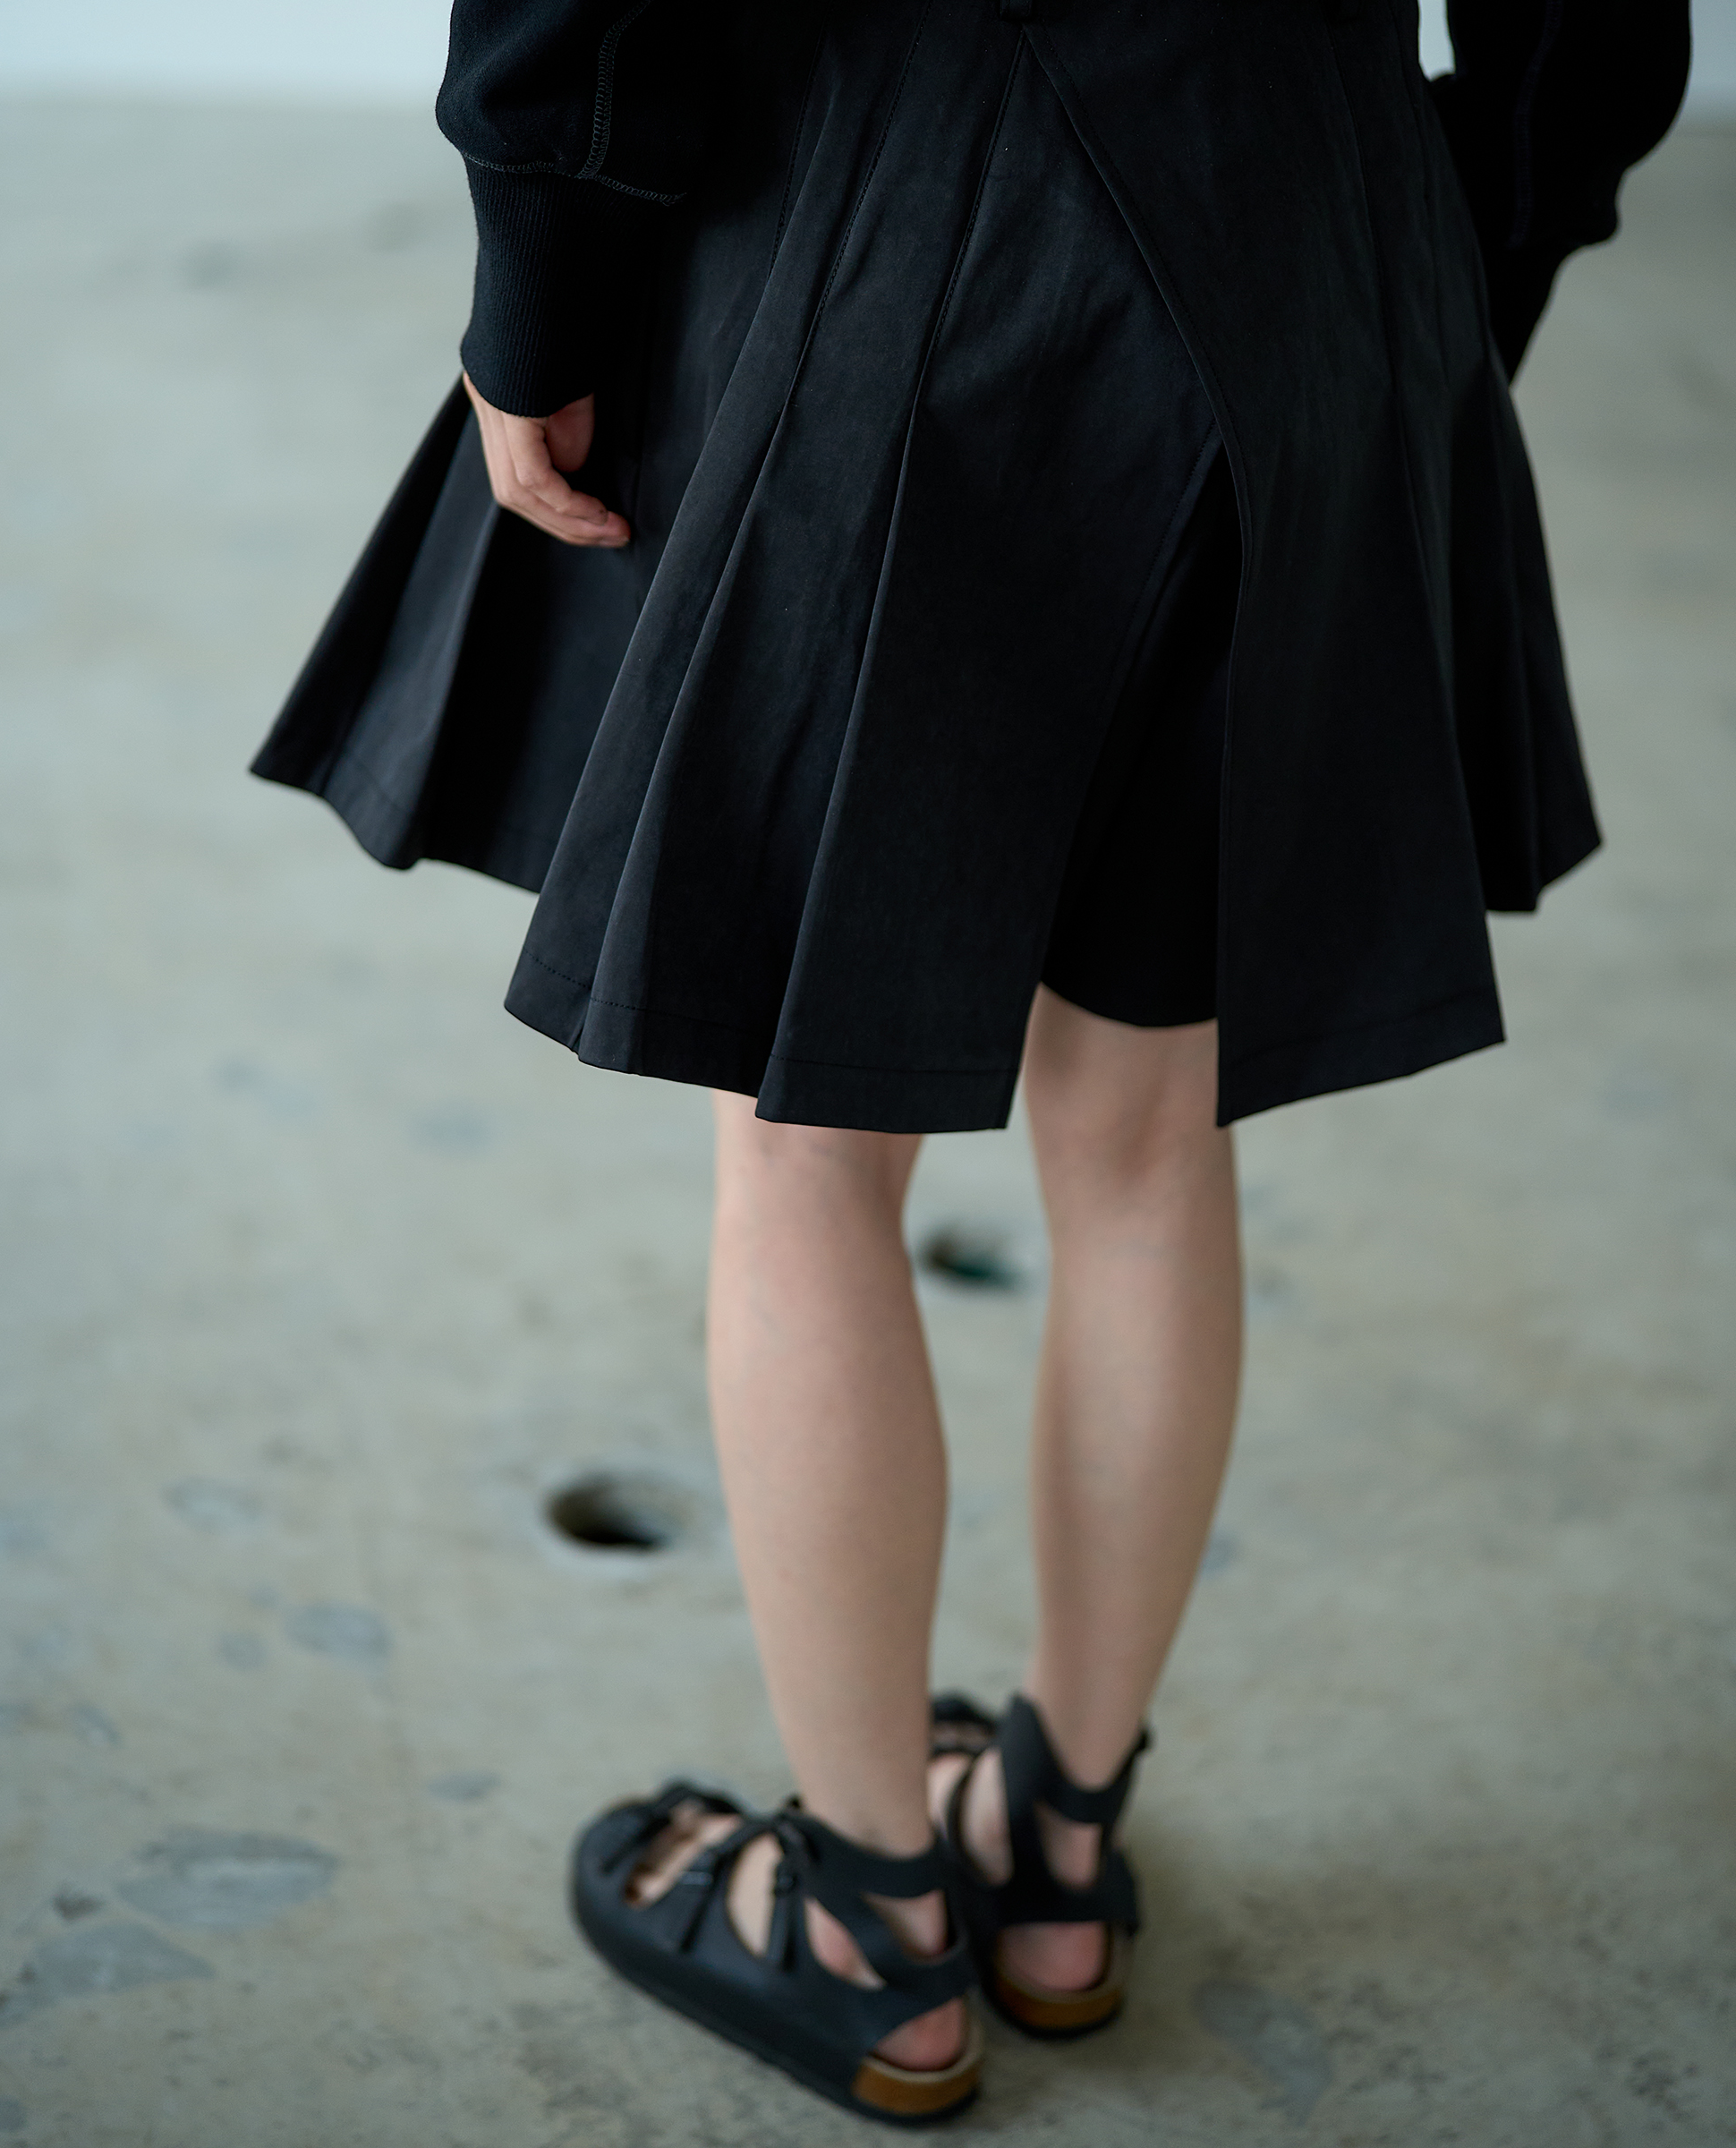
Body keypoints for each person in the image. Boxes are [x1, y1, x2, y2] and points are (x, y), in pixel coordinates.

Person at [253, 0, 1689, 2123]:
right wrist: (1455, 250)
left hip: (896, 211)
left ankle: (863, 1922)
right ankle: (1058, 1861)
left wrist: (537, 276)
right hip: (1316, 222)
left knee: (807, 1144)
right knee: (1148, 1133)